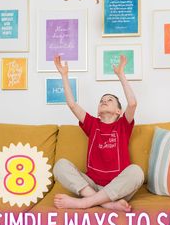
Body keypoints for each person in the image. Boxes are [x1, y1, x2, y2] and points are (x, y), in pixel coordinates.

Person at [53, 55, 144, 212]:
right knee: (60, 166)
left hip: (118, 188)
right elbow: (72, 105)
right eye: (102, 100)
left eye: (109, 100)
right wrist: (64, 75)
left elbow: (133, 103)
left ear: (118, 111)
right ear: (97, 111)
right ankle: (107, 204)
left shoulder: (123, 125)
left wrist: (121, 74)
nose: (104, 101)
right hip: (92, 186)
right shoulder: (92, 124)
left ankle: (84, 203)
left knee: (137, 172)